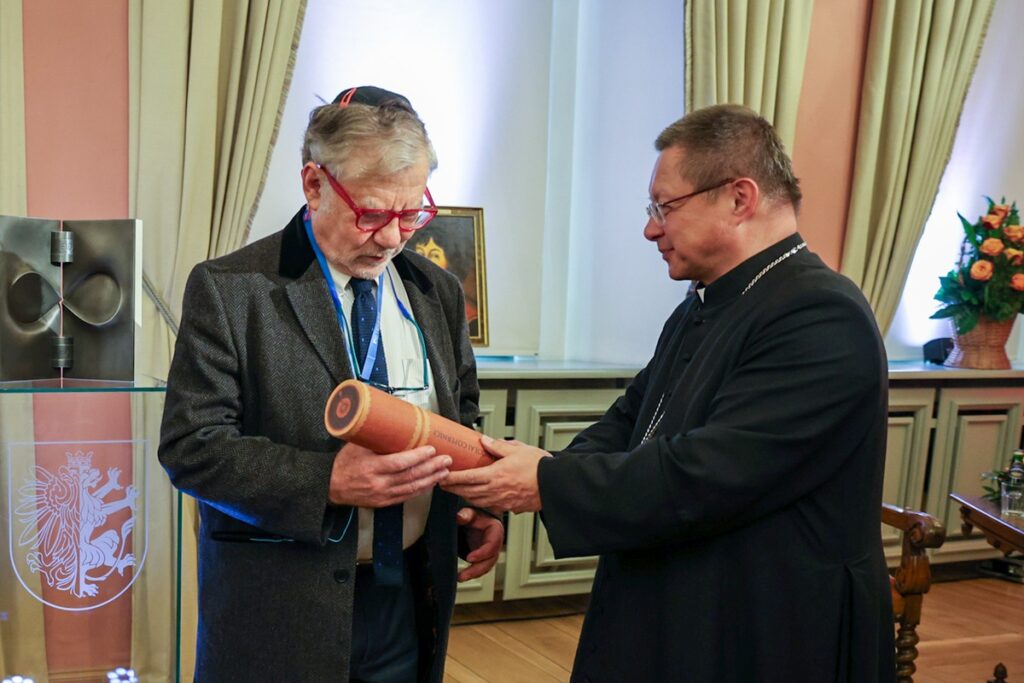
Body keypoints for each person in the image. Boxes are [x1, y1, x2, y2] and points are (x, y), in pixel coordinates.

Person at [444, 104, 894, 682]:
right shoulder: (709, 298)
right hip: (689, 599)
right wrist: (510, 481)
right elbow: (633, 419)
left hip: (771, 622)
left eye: (665, 207)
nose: (651, 228)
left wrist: (545, 483)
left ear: (739, 197)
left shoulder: (820, 313)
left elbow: (712, 471)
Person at [159, 85, 502, 682]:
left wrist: (475, 500)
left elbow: (461, 415)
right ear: (314, 184)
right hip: (281, 605)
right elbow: (192, 449)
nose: (395, 238)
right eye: (372, 213)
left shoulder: (436, 291)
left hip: (408, 595)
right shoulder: (232, 288)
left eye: (412, 213)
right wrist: (327, 481)